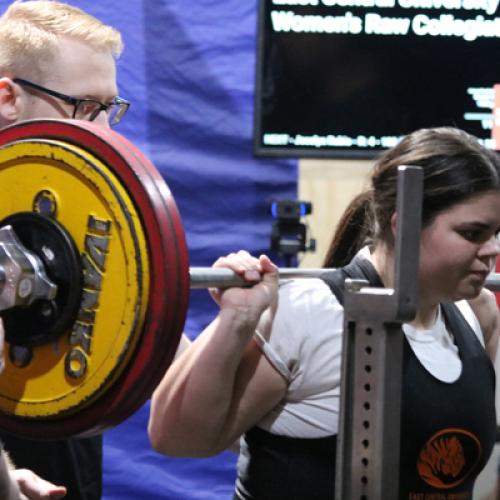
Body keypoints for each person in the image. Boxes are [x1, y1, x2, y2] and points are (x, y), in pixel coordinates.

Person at [148, 126, 500, 499]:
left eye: (496, 233)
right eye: (472, 233)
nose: (492, 250)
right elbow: (177, 437)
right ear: (403, 225)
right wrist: (236, 321)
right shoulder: (309, 314)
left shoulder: (474, 317)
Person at [0, 2, 128, 499]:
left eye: (110, 108)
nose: (105, 132)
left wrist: (239, 325)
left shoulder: (92, 211)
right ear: (7, 97)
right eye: (86, 106)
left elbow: (161, 351)